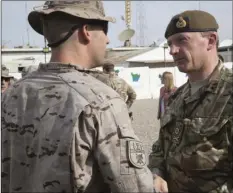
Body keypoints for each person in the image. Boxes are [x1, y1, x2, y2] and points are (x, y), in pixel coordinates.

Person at [1, 1, 153, 193]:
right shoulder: (101, 100)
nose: (107, 40)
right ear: (86, 31)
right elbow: (136, 187)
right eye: (105, 30)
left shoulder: (11, 95)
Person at [149, 10, 233, 193]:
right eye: (170, 43)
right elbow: (160, 147)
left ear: (211, 40)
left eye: (182, 40)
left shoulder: (229, 94)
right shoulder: (176, 98)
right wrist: (157, 173)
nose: (173, 50)